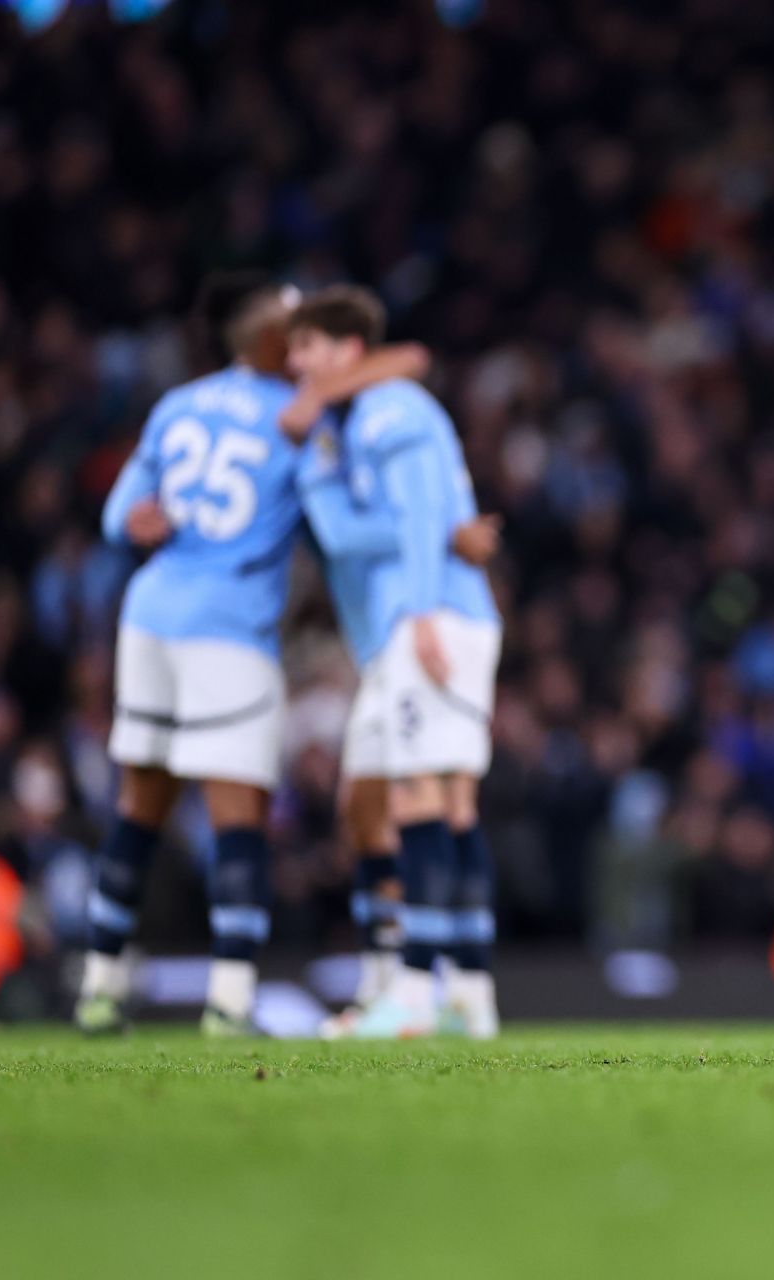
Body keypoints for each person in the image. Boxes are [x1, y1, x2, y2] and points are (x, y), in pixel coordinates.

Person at [77, 272, 425, 1036]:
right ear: (268, 341)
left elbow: (116, 515)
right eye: (293, 328)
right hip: (228, 625)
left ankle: (98, 985)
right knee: (240, 819)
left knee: (140, 810)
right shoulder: (296, 418)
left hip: (149, 618)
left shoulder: (179, 403)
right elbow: (405, 366)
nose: (304, 343)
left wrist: (128, 526)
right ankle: (229, 1001)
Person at [285, 286, 504, 1039]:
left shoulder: (391, 413)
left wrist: (419, 614)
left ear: (347, 351)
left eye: (306, 346)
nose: (295, 363)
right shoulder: (366, 415)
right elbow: (409, 525)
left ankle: (415, 992)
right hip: (410, 625)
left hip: (426, 619)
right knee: (416, 800)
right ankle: (466, 991)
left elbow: (404, 521)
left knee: (419, 795)